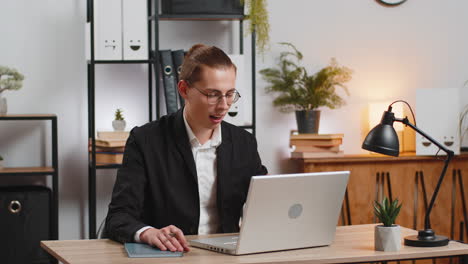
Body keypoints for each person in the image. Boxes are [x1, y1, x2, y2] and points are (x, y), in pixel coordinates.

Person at [105, 44, 268, 252]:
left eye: (230, 94)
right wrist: (148, 232)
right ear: (184, 90)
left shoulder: (244, 143)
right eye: (213, 94)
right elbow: (118, 217)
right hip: (170, 255)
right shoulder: (145, 141)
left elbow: (265, 204)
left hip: (226, 256)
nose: (224, 105)